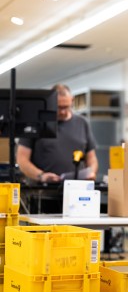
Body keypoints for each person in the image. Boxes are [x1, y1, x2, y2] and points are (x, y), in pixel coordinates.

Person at [17, 84, 98, 212]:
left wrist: (91, 172)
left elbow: (92, 158)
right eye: (59, 107)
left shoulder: (82, 123)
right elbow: (22, 159)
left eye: (66, 107)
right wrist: (41, 176)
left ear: (72, 100)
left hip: (77, 196)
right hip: (43, 196)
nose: (63, 111)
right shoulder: (36, 122)